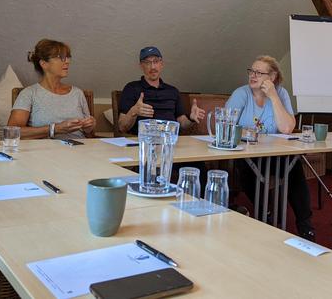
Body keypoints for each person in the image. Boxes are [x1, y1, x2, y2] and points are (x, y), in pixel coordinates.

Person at [227, 55, 315, 241]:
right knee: (247, 169)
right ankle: (265, 214)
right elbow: (226, 124)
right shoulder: (241, 94)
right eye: (251, 71)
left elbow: (286, 128)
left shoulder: (281, 94)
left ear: (272, 77)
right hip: (247, 153)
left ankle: (306, 228)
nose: (253, 75)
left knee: (294, 167)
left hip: (274, 154)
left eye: (259, 72)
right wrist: (246, 135)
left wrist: (273, 97)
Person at [8, 39, 95, 139]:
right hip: (45, 152)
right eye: (61, 57)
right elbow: (11, 133)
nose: (67, 61)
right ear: (44, 64)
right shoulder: (29, 93)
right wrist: (55, 129)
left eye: (68, 57)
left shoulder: (77, 93)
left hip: (80, 150)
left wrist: (89, 127)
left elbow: (89, 135)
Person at [117, 46, 206, 135]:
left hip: (170, 141)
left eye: (156, 61)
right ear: (141, 66)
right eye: (147, 62)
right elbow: (122, 127)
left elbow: (181, 123)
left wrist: (191, 118)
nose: (152, 67)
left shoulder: (173, 91)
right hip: (144, 142)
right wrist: (133, 111)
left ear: (161, 64)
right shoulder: (131, 88)